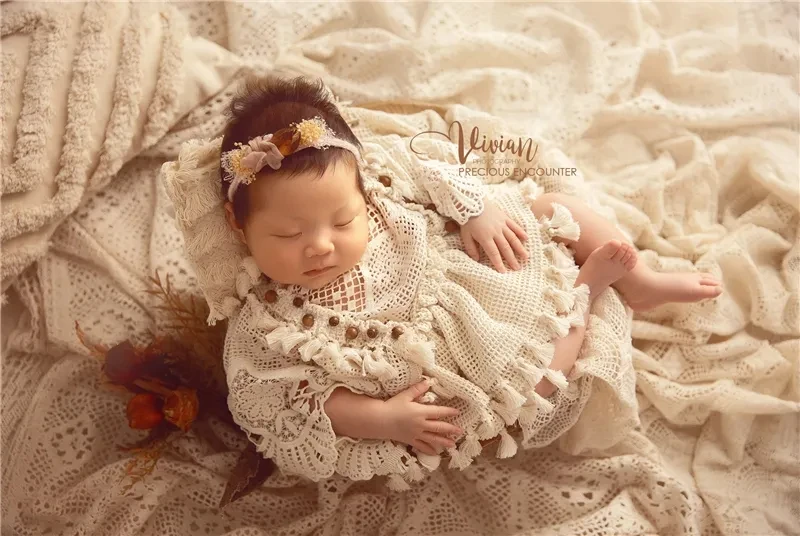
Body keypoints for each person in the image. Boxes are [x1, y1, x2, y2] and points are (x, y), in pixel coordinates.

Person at [168, 74, 722, 489]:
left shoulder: (377, 178)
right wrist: (383, 419)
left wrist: (474, 209)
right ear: (239, 226)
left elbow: (429, 165)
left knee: (556, 205)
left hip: (471, 277)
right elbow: (290, 399)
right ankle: (588, 292)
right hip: (444, 376)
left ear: (361, 193)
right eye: (288, 234)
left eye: (343, 221)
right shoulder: (268, 325)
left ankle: (643, 279)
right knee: (527, 392)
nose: (321, 244)